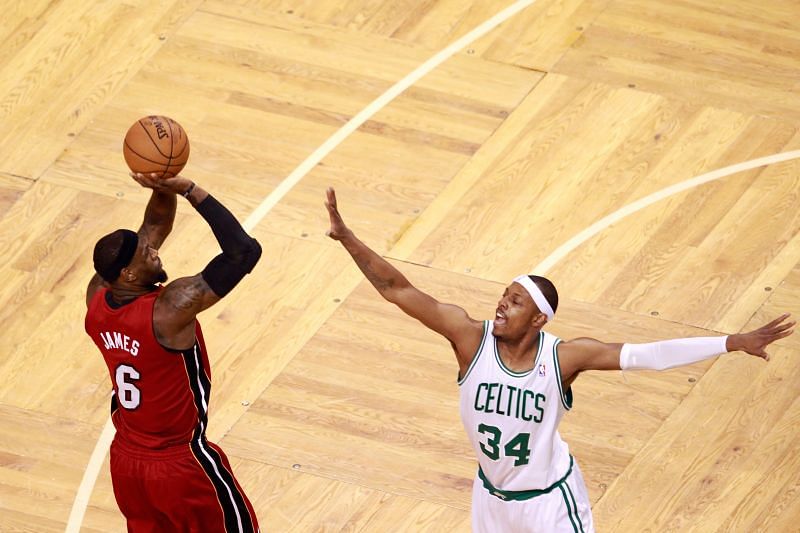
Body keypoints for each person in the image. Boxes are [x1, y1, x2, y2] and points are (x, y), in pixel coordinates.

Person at [323, 187, 794, 533]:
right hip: (491, 498)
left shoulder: (565, 358)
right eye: (502, 296)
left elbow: (646, 356)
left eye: (514, 301)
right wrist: (347, 238)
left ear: (538, 320)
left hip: (550, 503)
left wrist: (729, 342)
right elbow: (396, 288)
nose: (500, 305)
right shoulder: (469, 339)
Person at [85, 172, 262, 532]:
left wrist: (160, 185)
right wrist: (189, 190)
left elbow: (153, 226)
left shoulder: (97, 299)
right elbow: (244, 252)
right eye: (146, 254)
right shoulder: (170, 309)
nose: (154, 251)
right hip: (179, 465)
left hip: (127, 466)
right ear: (130, 276)